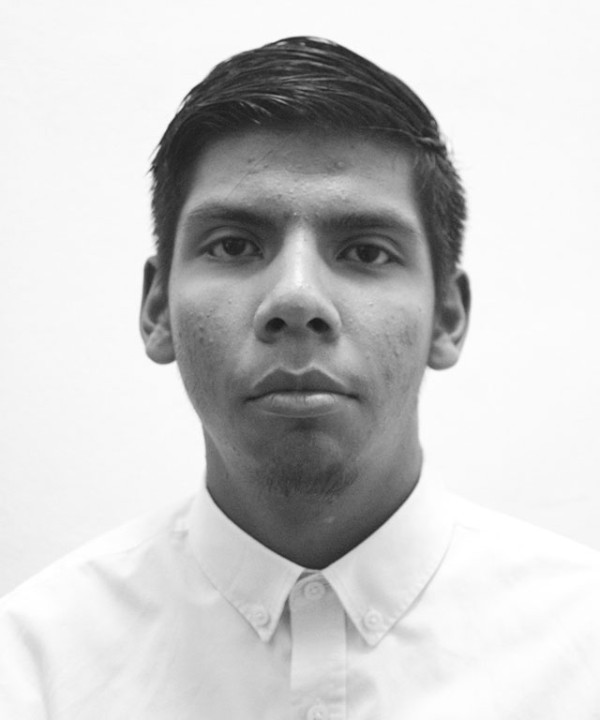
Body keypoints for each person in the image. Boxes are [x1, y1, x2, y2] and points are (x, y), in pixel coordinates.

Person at [1, 35, 599, 720]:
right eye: (234, 245)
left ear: (448, 317)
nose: (296, 298)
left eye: (366, 251)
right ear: (158, 309)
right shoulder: (33, 668)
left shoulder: (585, 649)